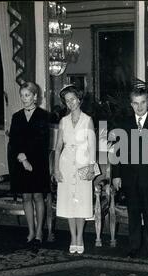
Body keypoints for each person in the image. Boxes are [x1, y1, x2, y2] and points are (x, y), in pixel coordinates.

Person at [112, 87, 148, 260]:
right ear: (131, 104)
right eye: (136, 103)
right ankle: (134, 246)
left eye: (143, 102)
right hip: (129, 177)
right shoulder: (123, 124)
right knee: (133, 213)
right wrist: (116, 175)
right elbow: (117, 152)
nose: (139, 107)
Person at [54, 84, 96, 254]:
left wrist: (91, 167)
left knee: (81, 201)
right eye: (67, 100)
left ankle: (80, 238)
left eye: (73, 99)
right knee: (69, 203)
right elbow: (57, 147)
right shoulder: (63, 121)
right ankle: (73, 237)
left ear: (79, 99)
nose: (70, 103)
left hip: (83, 163)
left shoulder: (88, 119)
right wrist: (56, 169)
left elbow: (92, 146)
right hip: (65, 163)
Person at [9, 81, 50, 247]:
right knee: (26, 196)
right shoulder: (16, 116)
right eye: (22, 95)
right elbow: (13, 141)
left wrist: (28, 158)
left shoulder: (43, 115)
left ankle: (40, 231)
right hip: (20, 161)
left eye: (27, 95)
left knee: (38, 196)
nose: (24, 99)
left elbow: (42, 141)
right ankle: (31, 231)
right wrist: (22, 158)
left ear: (35, 96)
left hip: (38, 162)